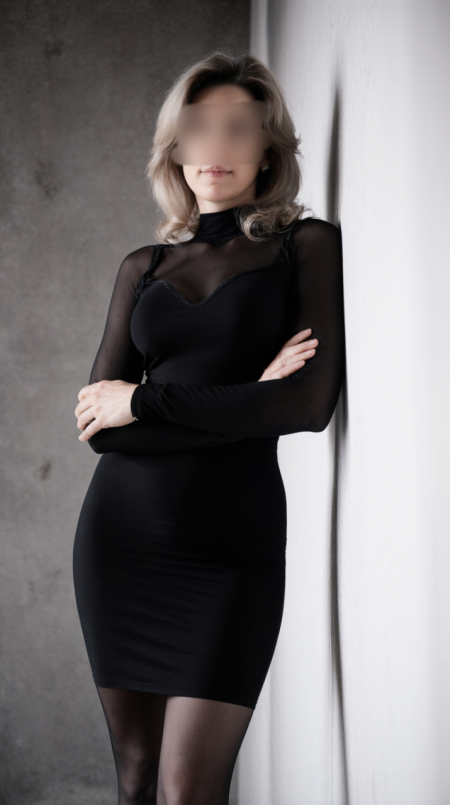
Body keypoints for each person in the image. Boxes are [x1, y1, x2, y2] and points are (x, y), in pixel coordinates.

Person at [72, 49, 345, 805]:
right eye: (197, 129)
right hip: (121, 539)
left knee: (187, 789)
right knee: (135, 778)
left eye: (238, 128)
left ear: (269, 149)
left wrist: (145, 400)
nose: (215, 147)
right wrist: (247, 397)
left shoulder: (305, 247)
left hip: (231, 549)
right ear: (175, 148)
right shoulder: (144, 267)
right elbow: (103, 428)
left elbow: (305, 407)